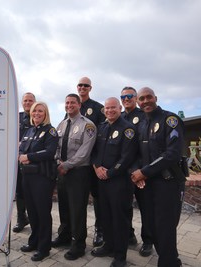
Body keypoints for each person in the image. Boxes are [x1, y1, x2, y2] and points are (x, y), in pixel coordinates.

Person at [131, 87, 185, 267]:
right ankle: (169, 258)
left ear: (156, 98)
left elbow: (172, 154)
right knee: (152, 226)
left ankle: (169, 262)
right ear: (138, 102)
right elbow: (137, 153)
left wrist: (144, 172)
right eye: (142, 99)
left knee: (165, 226)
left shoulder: (170, 120)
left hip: (167, 182)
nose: (145, 101)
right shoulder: (142, 124)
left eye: (148, 97)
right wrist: (139, 173)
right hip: (147, 184)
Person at [90, 97, 137, 267]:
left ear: (119, 108)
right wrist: (96, 168)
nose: (109, 110)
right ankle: (108, 245)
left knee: (119, 219)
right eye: (107, 108)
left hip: (119, 182)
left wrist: (109, 173)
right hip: (101, 180)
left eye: (113, 108)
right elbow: (93, 151)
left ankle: (120, 256)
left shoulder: (128, 129)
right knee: (105, 216)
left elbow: (127, 157)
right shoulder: (101, 128)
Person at [53, 94, 97, 261]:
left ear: (79, 105)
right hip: (62, 171)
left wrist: (66, 165)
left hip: (78, 173)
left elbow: (84, 153)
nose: (69, 105)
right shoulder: (62, 124)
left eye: (73, 102)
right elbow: (56, 147)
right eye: (67, 103)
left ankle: (78, 245)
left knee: (77, 210)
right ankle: (64, 236)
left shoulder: (88, 126)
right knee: (63, 206)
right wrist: (59, 162)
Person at [19, 102, 58, 262]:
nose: (36, 113)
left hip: (42, 178)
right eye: (35, 111)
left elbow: (49, 152)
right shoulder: (29, 130)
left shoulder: (50, 131)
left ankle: (44, 247)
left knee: (42, 213)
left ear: (46, 113)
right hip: (27, 177)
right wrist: (21, 155)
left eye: (40, 111)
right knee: (32, 212)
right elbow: (21, 148)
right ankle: (33, 241)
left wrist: (28, 157)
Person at [120, 87, 153, 255]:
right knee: (125, 207)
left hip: (141, 171)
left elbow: (143, 147)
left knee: (145, 207)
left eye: (129, 96)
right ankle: (129, 236)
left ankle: (148, 241)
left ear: (136, 99)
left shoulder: (143, 117)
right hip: (124, 172)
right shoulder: (120, 118)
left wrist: (139, 170)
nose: (126, 99)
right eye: (123, 96)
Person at [76, 76, 106, 247]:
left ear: (90, 88)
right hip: (78, 163)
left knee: (97, 198)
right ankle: (76, 232)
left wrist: (97, 162)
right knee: (78, 198)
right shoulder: (73, 106)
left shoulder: (98, 108)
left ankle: (99, 230)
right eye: (80, 85)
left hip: (92, 162)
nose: (82, 87)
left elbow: (101, 137)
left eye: (85, 85)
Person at [13, 92, 36, 233]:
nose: (27, 103)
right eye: (25, 100)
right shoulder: (17, 117)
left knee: (31, 192)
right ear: (22, 103)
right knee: (19, 191)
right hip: (18, 160)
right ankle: (21, 218)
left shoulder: (39, 115)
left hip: (33, 161)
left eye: (30, 100)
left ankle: (33, 219)